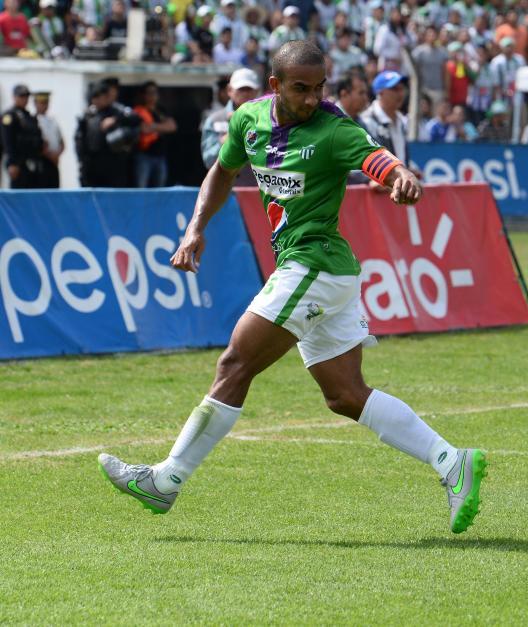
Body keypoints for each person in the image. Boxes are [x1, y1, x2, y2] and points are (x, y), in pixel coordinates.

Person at [98, 41, 488, 535]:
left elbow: (376, 158)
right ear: (275, 85)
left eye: (319, 87)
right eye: (301, 88)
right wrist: (196, 228)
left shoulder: (333, 129)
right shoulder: (248, 120)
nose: (312, 99)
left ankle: (166, 479)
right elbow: (223, 170)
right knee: (345, 395)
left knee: (235, 363)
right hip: (323, 272)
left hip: (313, 265)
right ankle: (452, 461)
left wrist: (401, 175)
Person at [75, 81, 141, 187]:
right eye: (94, 98)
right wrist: (82, 160)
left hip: (114, 163)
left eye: (99, 97)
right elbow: (80, 139)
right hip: (92, 164)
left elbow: (136, 118)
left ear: (106, 97)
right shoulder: (88, 114)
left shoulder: (117, 110)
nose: (96, 101)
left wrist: (115, 119)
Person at [202, 68, 261, 187]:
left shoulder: (268, 119)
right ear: (229, 90)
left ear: (257, 91)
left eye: (249, 89)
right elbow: (209, 160)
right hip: (224, 190)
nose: (245, 93)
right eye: (241, 89)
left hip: (257, 190)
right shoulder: (214, 120)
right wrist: (233, 134)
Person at [133, 81, 177, 188]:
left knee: (160, 189)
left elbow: (172, 126)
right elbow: (144, 129)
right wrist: (162, 127)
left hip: (160, 156)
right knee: (141, 188)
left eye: (154, 93)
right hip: (144, 156)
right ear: (143, 95)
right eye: (149, 93)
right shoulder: (139, 111)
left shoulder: (161, 110)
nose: (152, 96)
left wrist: (153, 126)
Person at [361, 70, 409, 163]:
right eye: (395, 89)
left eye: (402, 88)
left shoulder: (402, 121)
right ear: (380, 92)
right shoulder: (366, 121)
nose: (400, 94)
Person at [1, 84, 44, 188]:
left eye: (26, 96)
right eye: (21, 96)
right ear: (14, 97)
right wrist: (12, 163)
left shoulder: (29, 116)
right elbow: (8, 140)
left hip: (32, 161)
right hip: (18, 163)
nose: (25, 99)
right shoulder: (9, 116)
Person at [33, 91, 63, 188]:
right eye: (41, 102)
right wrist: (50, 156)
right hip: (42, 162)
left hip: (54, 162)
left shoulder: (52, 120)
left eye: (46, 102)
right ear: (35, 103)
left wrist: (57, 155)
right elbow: (39, 143)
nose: (44, 105)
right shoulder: (33, 120)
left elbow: (61, 141)